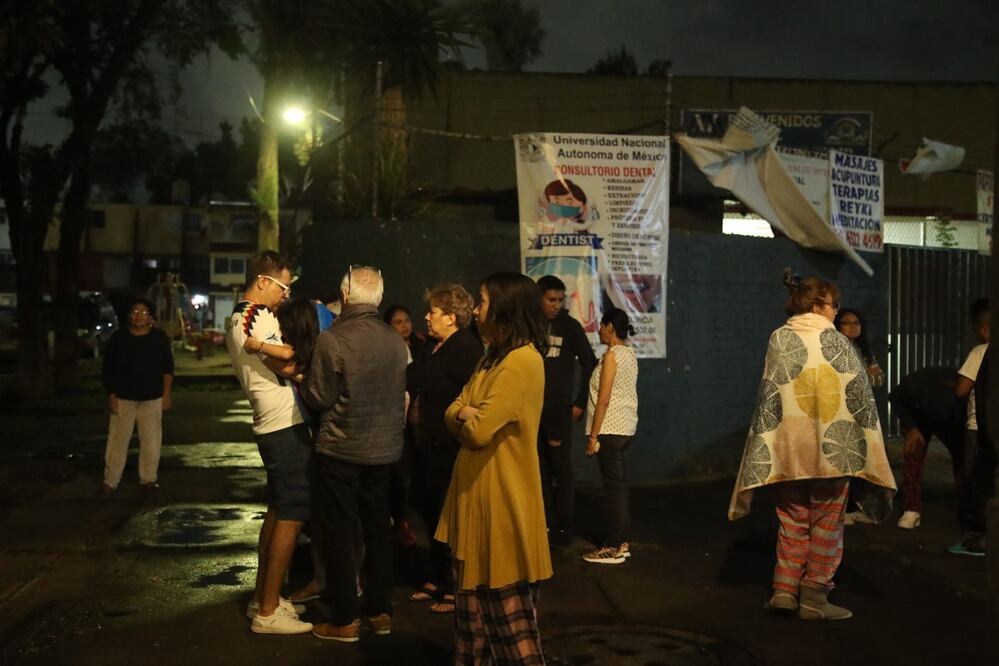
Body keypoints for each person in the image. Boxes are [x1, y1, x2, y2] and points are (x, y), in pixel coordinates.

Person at [729, 270, 895, 621]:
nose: (836, 312)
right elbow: (858, 396)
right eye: (834, 306)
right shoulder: (837, 343)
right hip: (833, 451)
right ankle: (814, 598)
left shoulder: (779, 338)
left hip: (788, 447)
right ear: (818, 304)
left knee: (791, 519)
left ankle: (784, 592)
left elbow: (773, 392)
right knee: (826, 522)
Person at [435, 271, 552, 664]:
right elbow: (453, 409)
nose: (476, 309)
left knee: (510, 628)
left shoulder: (522, 362)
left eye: (482, 301)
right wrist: (465, 413)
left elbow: (479, 430)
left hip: (504, 506)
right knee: (473, 627)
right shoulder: (490, 358)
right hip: (474, 501)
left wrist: (466, 414)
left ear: (504, 307)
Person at [300, 266, 409, 642]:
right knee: (379, 530)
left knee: (339, 533)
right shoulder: (396, 341)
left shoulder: (334, 339)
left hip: (341, 450)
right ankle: (380, 611)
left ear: (345, 297)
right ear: (378, 298)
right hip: (385, 452)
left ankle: (345, 618)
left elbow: (319, 396)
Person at [225, 251, 313, 635]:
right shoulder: (253, 315)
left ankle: (265, 599)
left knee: (279, 509)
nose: (285, 295)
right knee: (292, 513)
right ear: (263, 281)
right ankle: (268, 613)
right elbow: (288, 365)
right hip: (281, 423)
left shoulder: (246, 316)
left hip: (273, 422)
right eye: (283, 286)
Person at [406, 284, 482, 614]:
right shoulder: (436, 346)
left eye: (433, 312)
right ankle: (437, 577)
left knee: (447, 516)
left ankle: (454, 586)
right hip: (427, 446)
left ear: (451, 317)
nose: (426, 316)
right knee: (430, 512)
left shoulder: (465, 348)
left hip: (446, 447)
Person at [537, 274, 597, 547]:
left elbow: (590, 362)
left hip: (558, 409)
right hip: (531, 409)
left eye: (560, 300)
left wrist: (580, 401)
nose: (556, 305)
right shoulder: (529, 325)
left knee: (561, 467)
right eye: (551, 299)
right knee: (538, 469)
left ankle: (564, 527)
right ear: (539, 298)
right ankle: (544, 525)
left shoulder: (570, 327)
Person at [99, 297, 174, 494]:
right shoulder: (118, 338)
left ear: (150, 317)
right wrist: (111, 395)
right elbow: (108, 369)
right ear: (129, 316)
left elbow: (168, 368)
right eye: (134, 311)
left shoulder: (159, 338)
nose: (138, 316)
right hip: (123, 397)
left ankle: (149, 478)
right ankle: (110, 480)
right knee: (117, 440)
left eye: (143, 312)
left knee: (151, 440)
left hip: (152, 397)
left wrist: (166, 394)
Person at [582, 308, 639, 565]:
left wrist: (593, 436)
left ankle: (613, 546)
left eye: (602, 326)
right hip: (625, 428)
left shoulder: (612, 357)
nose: (599, 331)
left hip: (609, 429)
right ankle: (621, 541)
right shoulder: (630, 354)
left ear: (610, 327)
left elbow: (603, 399)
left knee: (613, 489)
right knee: (618, 487)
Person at [888, 367, 966, 529]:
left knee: (963, 458)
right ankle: (911, 509)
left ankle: (967, 509)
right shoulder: (912, 387)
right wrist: (911, 427)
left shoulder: (960, 396)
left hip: (952, 421)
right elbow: (895, 398)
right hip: (918, 417)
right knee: (913, 453)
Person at [950, 297, 990, 556]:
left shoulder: (981, 351)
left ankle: (975, 540)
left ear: (983, 329)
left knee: (975, 482)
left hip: (978, 428)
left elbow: (962, 389)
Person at [834, 308, 884, 387]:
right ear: (837, 325)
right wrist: (868, 375)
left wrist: (862, 377)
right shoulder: (834, 350)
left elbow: (880, 379)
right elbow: (845, 383)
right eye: (846, 323)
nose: (853, 326)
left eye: (856, 322)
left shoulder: (864, 349)